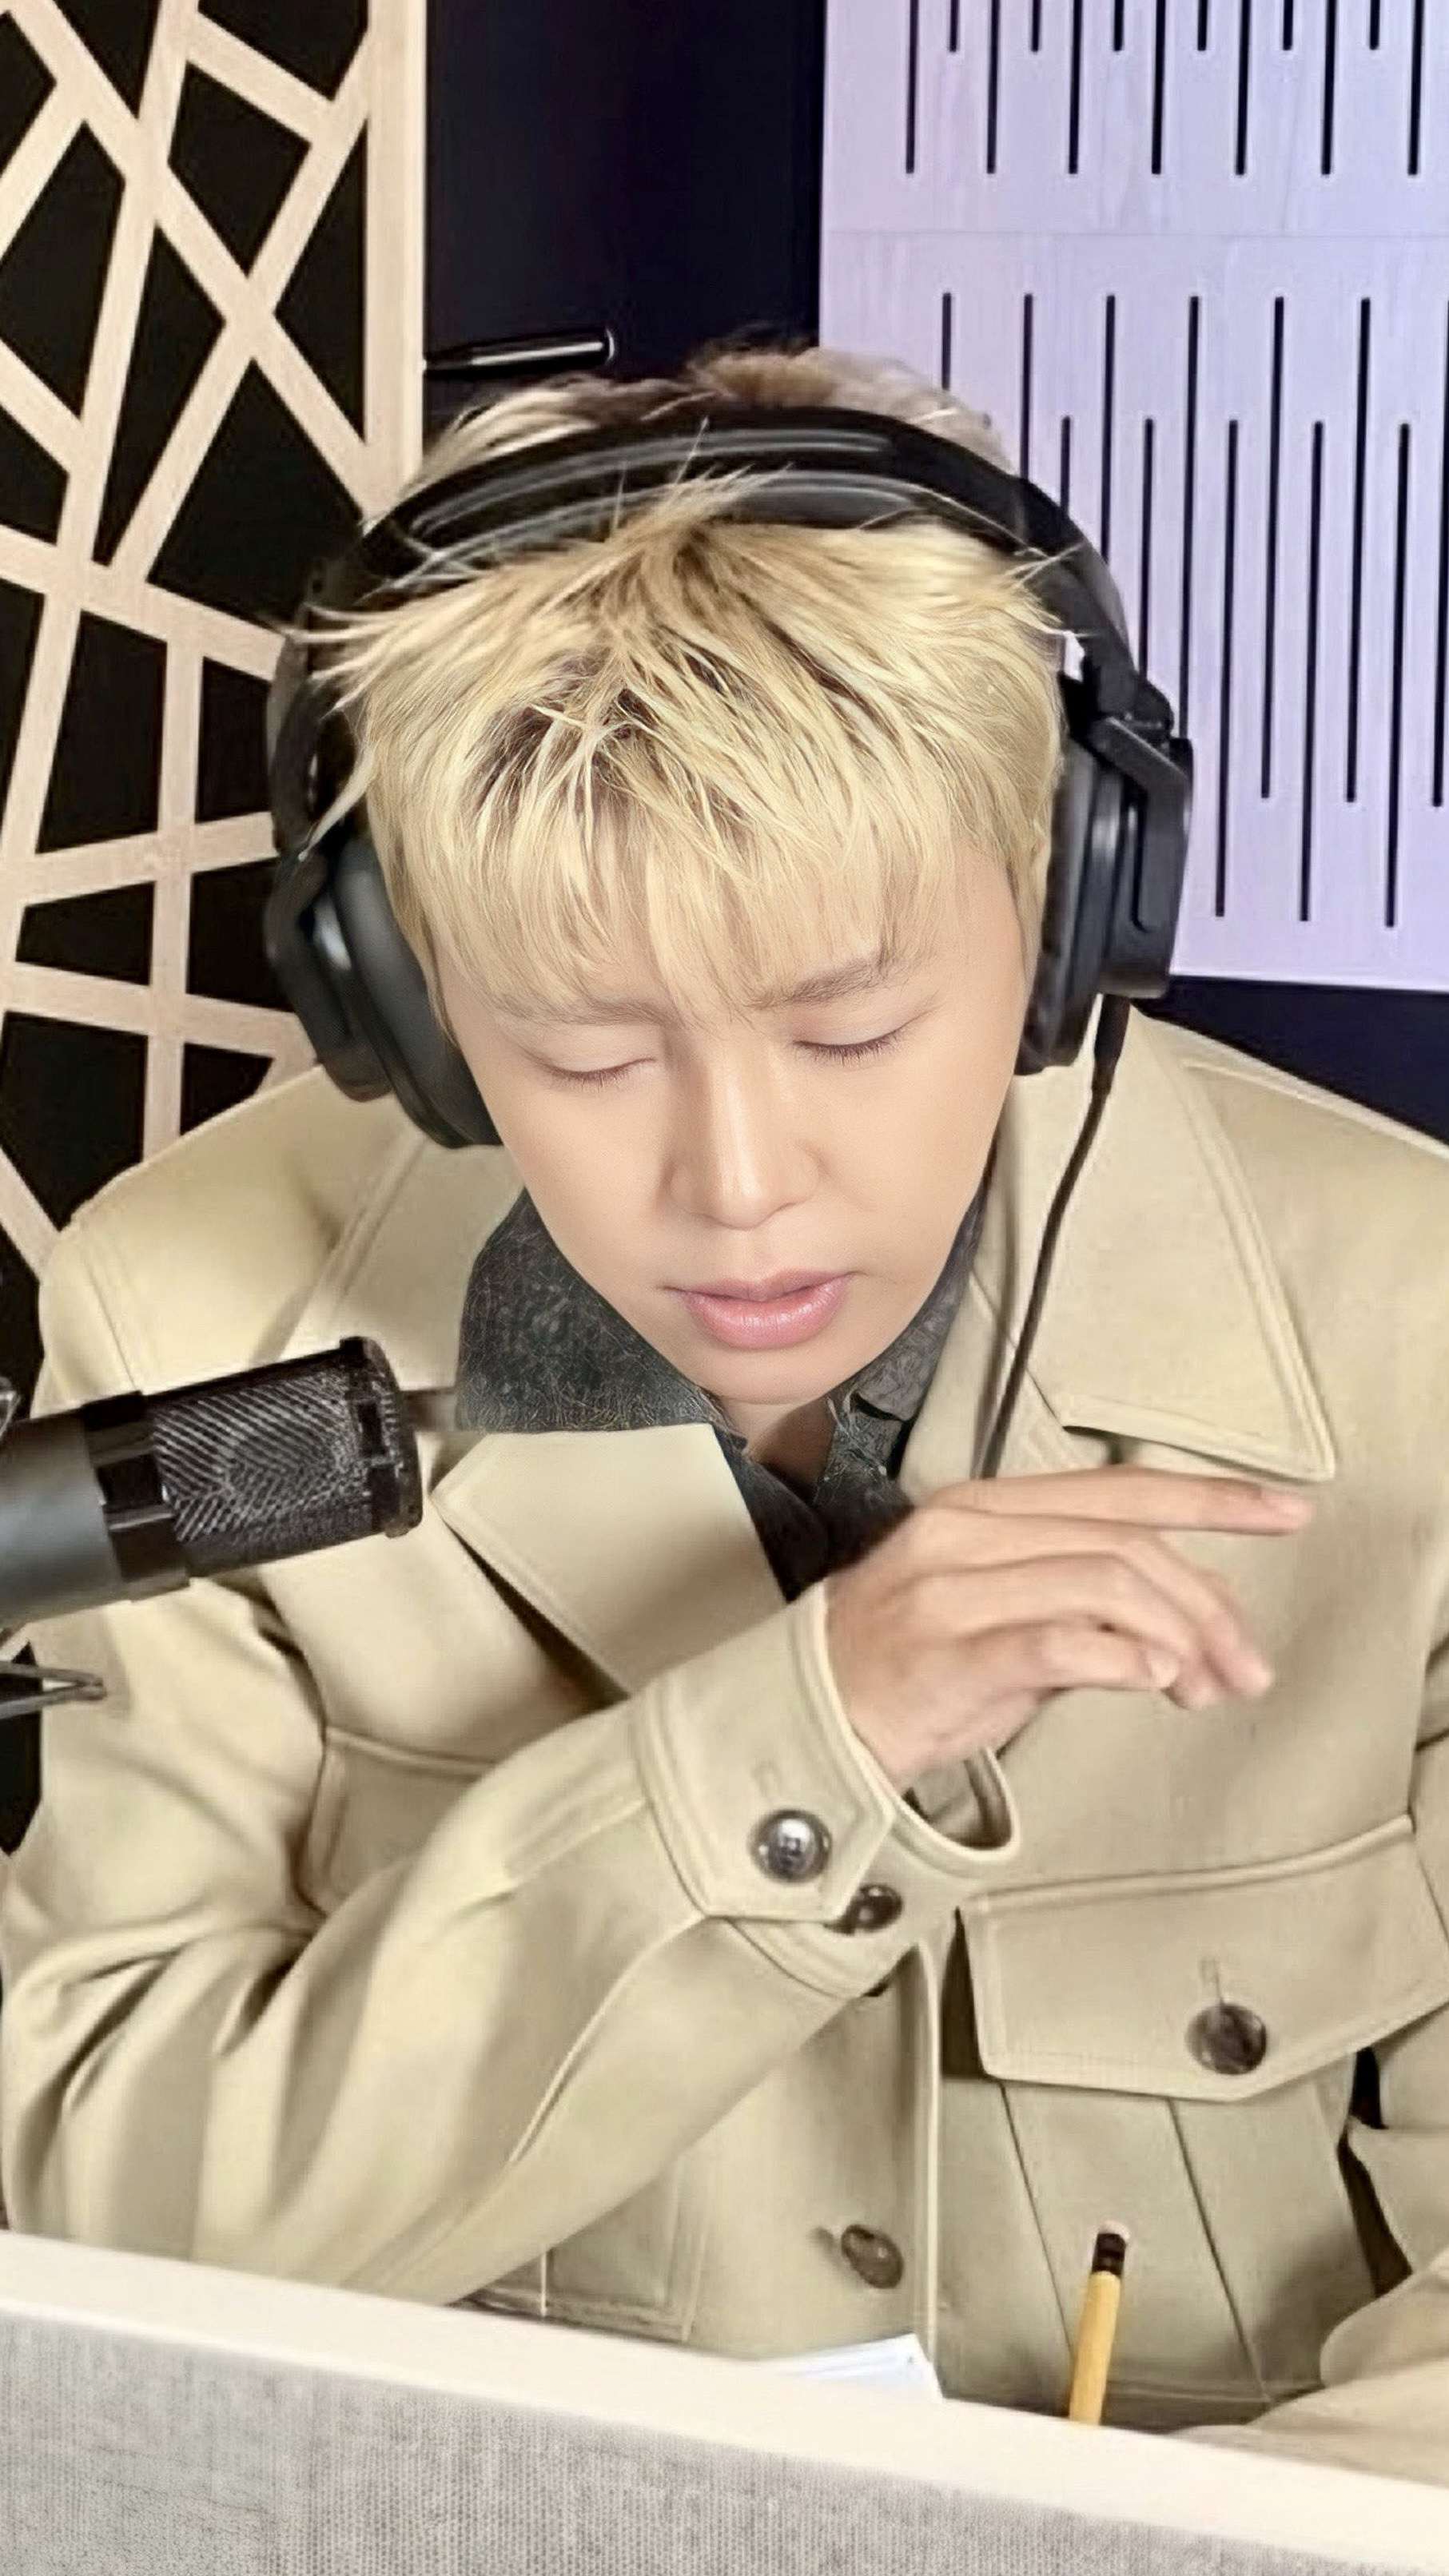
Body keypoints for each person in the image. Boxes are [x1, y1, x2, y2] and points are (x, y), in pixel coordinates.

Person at [3, 343, 1449, 2488]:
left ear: (1069, 919)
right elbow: (111, 2225)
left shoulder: (1423, 1329)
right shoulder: (189, 1321)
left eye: (851, 1029)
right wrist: (795, 1745)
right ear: (407, 1010)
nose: (743, 1185)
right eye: (585, 1054)